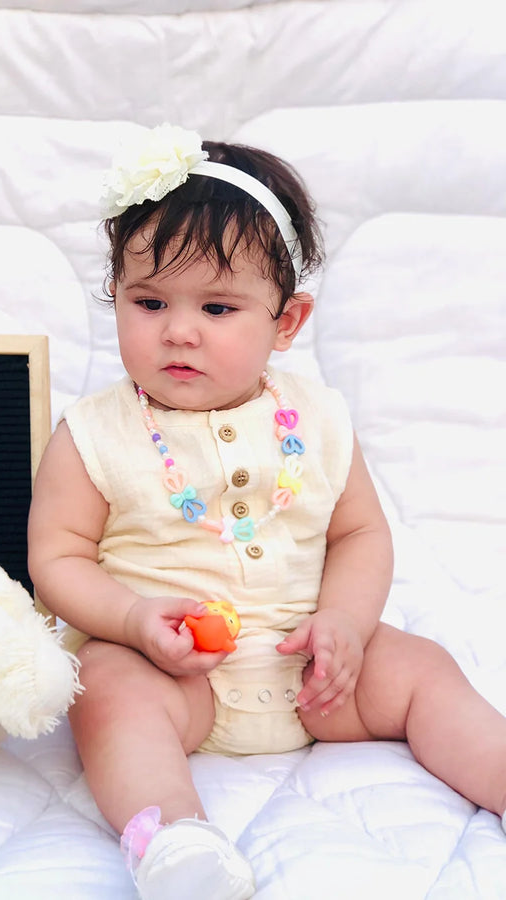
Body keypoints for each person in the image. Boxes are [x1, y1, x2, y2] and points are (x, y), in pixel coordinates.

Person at [27, 124, 506, 900]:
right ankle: (175, 841)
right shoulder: (92, 434)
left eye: (218, 307)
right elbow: (57, 558)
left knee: (425, 667)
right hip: (173, 674)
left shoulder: (319, 417)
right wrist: (132, 620)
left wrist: (345, 624)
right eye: (148, 302)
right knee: (105, 691)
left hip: (312, 671)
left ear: (287, 322)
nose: (178, 330)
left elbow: (360, 533)